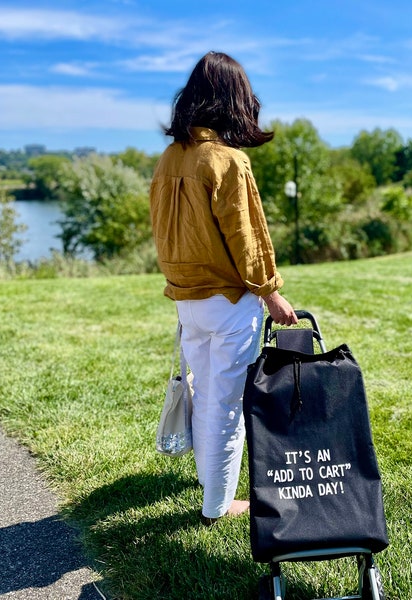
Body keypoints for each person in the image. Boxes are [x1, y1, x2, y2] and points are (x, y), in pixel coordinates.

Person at [149, 51, 298, 525]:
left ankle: (209, 485)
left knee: (205, 393)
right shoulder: (227, 161)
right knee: (225, 404)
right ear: (236, 101)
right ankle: (217, 504)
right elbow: (247, 236)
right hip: (228, 301)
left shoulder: (171, 157)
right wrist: (271, 292)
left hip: (187, 299)